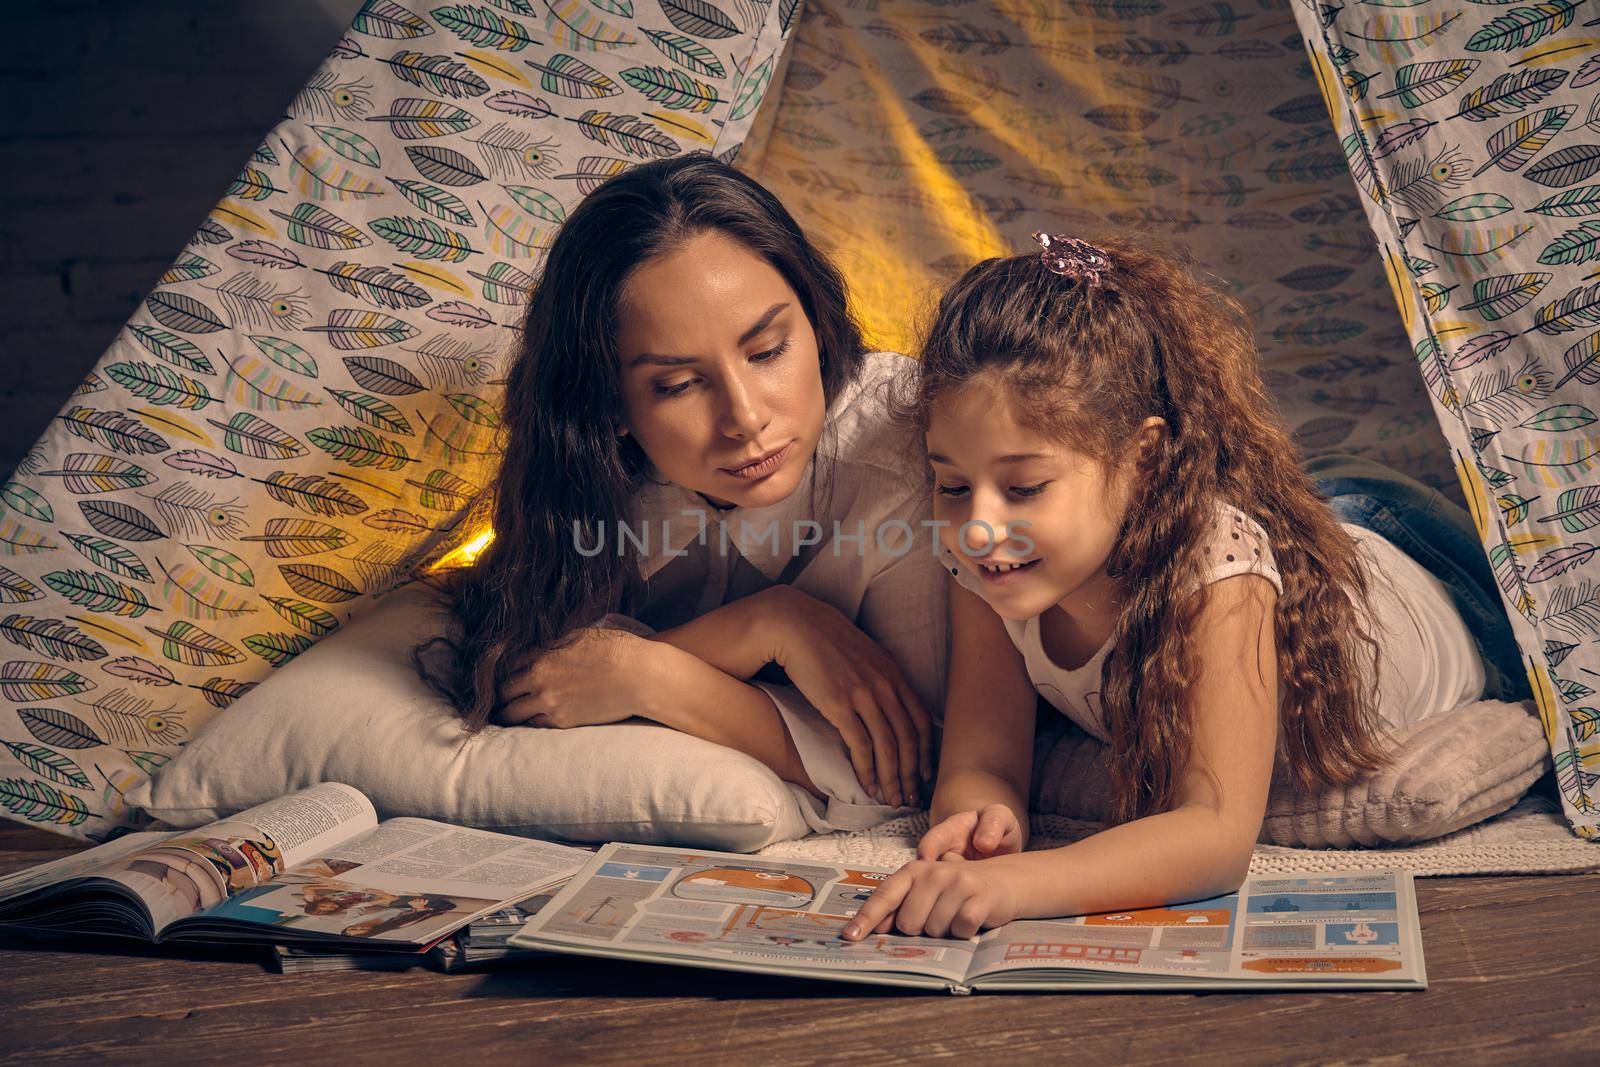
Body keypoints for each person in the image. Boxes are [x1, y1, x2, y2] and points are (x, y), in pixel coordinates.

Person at [841, 231, 1525, 941]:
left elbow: (1216, 835)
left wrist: (1013, 883)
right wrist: (975, 819)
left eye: (1024, 486)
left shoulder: (1215, 569)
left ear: (1144, 460)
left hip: (1432, 569)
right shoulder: (986, 564)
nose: (978, 525)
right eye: (953, 483)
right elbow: (983, 755)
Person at [412, 153, 948, 826]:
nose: (746, 416)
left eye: (768, 350)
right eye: (676, 384)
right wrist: (768, 627)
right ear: (609, 404)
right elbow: (538, 679)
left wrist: (651, 674)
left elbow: (915, 766)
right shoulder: (601, 476)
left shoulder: (903, 448)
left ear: (815, 320)